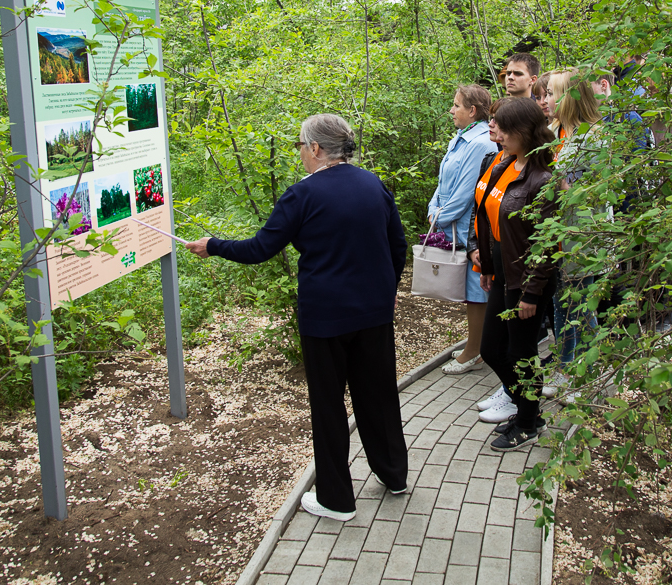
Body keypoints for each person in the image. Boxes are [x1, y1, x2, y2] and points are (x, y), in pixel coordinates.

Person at [186, 114, 408, 521]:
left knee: (328, 405)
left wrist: (213, 245)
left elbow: (260, 249)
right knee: (378, 394)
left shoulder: (302, 196)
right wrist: (385, 292)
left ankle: (337, 500)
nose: (300, 153)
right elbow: (398, 245)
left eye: (301, 146)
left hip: (325, 317)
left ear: (317, 149)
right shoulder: (372, 184)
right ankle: (394, 473)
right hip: (373, 312)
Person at [471, 98, 559, 451]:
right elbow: (488, 219)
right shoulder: (502, 164)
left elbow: (549, 244)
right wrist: (488, 267)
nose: (498, 133)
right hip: (503, 271)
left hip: (527, 279)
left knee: (521, 353)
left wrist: (531, 294)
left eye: (505, 128)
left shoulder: (543, 179)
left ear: (526, 132)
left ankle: (527, 421)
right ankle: (528, 409)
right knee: (492, 348)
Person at [428, 85, 499, 374]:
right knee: (469, 290)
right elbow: (443, 184)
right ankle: (476, 343)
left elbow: (465, 194)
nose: (451, 110)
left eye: (456, 105)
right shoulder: (460, 138)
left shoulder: (481, 144)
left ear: (472, 111)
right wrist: (433, 209)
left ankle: (474, 353)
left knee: (475, 291)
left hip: (468, 231)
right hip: (448, 221)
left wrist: (439, 218)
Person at [543, 71, 605, 399]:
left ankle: (582, 371)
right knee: (567, 303)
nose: (546, 100)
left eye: (552, 94)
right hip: (557, 235)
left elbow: (588, 194)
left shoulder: (593, 138)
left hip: (583, 236)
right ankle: (577, 365)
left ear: (571, 97)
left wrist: (558, 182)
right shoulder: (555, 131)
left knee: (576, 305)